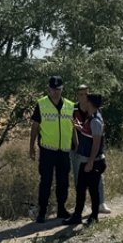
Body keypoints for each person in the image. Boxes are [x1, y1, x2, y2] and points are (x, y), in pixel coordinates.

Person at [30, 75, 74, 223]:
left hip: (64, 149)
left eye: (58, 89)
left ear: (62, 89)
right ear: (48, 89)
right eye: (53, 89)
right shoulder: (41, 104)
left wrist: (76, 143)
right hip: (48, 149)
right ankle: (42, 211)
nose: (55, 92)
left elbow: (72, 126)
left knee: (63, 181)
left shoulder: (69, 105)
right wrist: (31, 147)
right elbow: (35, 126)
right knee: (46, 181)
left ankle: (61, 209)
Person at [70, 84, 110, 214]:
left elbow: (97, 133)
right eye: (80, 94)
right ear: (77, 95)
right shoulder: (74, 108)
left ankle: (100, 204)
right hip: (78, 150)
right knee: (79, 180)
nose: (83, 97)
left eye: (86, 94)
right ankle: (82, 207)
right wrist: (76, 143)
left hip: (93, 151)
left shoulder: (94, 111)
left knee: (96, 179)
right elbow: (76, 128)